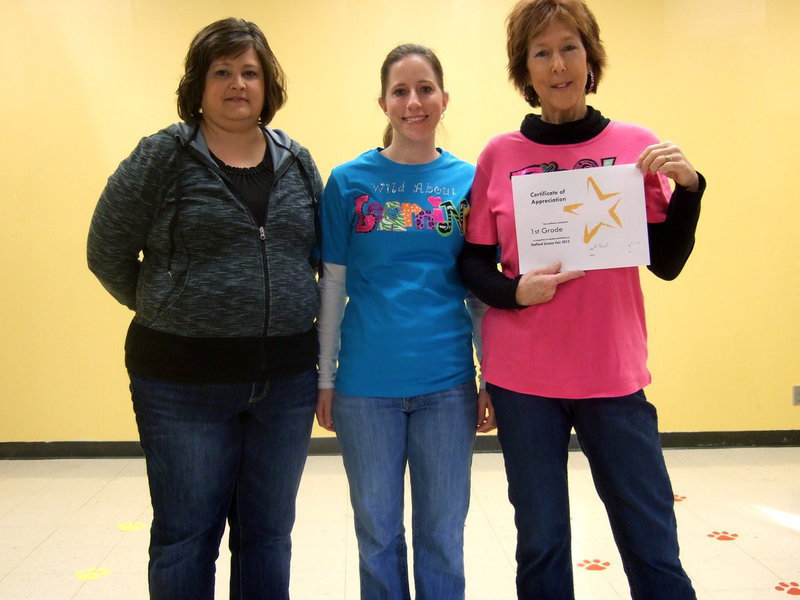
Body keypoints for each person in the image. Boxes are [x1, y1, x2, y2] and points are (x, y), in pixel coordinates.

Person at [458, 1, 705, 599]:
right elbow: (471, 263)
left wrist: (691, 189)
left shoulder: (634, 147)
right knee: (541, 542)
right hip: (524, 382)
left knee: (650, 537)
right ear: (526, 69)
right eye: (541, 52)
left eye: (569, 47)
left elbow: (666, 263)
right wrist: (515, 292)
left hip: (612, 375)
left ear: (590, 58)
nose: (557, 64)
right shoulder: (500, 154)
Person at [87, 18, 322, 600]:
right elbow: (107, 250)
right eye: (222, 72)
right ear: (198, 84)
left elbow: (320, 255)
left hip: (286, 382)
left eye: (250, 72)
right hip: (181, 383)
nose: (237, 84)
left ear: (269, 85)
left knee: (269, 535)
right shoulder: (162, 156)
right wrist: (166, 306)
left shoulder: (297, 161)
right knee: (187, 536)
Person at [315, 44, 494, 600]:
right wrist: (325, 378)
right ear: (383, 103)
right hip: (365, 390)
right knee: (377, 535)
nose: (413, 102)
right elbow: (333, 289)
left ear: (444, 98)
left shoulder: (471, 182)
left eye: (424, 89)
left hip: (447, 386)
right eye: (400, 91)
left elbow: (480, 295)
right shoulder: (348, 183)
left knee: (443, 534)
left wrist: (491, 374)